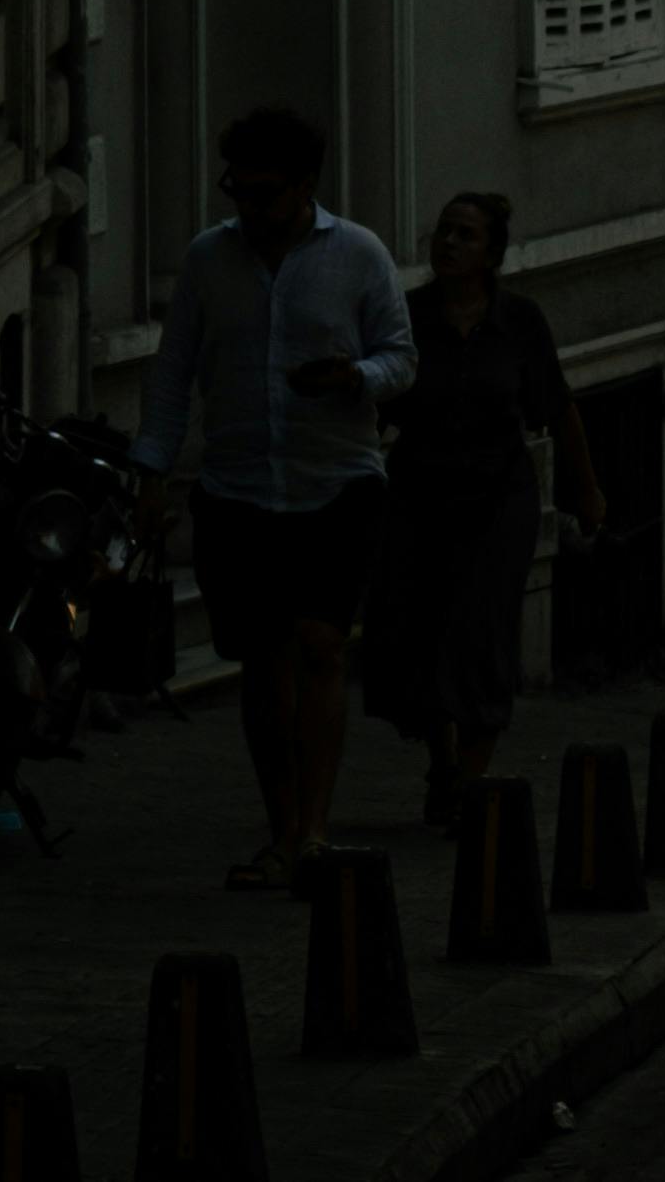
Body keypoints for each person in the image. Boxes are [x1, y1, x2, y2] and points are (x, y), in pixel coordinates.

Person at [133, 102, 415, 891]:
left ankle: (315, 832)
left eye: (265, 193)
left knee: (322, 645)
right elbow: (172, 371)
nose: (250, 208)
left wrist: (354, 377)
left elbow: (401, 357)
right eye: (238, 191)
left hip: (337, 481)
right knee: (263, 661)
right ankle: (283, 828)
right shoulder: (209, 260)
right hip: (240, 488)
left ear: (304, 186)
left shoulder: (357, 253)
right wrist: (150, 472)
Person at [366, 193, 604, 826]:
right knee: (420, 634)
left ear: (492, 254)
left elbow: (557, 407)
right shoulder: (407, 316)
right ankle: (443, 761)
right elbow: (374, 406)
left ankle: (469, 786)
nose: (448, 243)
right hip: (419, 496)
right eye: (444, 230)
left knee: (483, 635)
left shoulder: (519, 321)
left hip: (498, 501)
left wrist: (587, 490)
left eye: (465, 235)